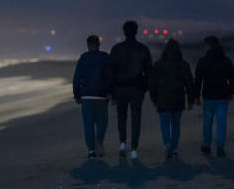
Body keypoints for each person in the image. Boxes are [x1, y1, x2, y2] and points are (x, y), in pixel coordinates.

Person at [107, 20, 152, 159]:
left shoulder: (116, 49)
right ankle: (134, 148)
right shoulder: (143, 48)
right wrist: (146, 87)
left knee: (121, 117)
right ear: (136, 31)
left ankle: (122, 143)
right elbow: (149, 71)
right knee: (136, 117)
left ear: (124, 31)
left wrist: (111, 92)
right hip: (137, 88)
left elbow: (111, 72)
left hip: (120, 88)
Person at [148, 39, 194, 160]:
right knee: (176, 124)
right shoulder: (183, 64)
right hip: (178, 98)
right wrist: (190, 100)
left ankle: (167, 144)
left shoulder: (158, 64)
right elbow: (189, 83)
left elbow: (152, 84)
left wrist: (154, 99)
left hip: (162, 99)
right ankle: (174, 149)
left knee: (164, 124)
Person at [193, 35, 234, 157]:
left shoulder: (203, 61)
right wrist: (230, 92)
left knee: (207, 122)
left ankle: (207, 146)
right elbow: (233, 78)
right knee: (221, 123)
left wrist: (196, 96)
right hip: (223, 96)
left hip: (208, 96)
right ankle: (220, 148)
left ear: (207, 45)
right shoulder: (226, 60)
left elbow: (198, 80)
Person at [72, 35, 111, 158]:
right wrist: (111, 92)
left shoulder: (83, 58)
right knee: (102, 122)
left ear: (87, 45)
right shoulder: (105, 57)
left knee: (88, 125)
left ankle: (91, 151)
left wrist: (77, 95)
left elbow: (76, 78)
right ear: (99, 44)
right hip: (101, 96)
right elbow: (110, 76)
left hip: (86, 96)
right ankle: (99, 140)